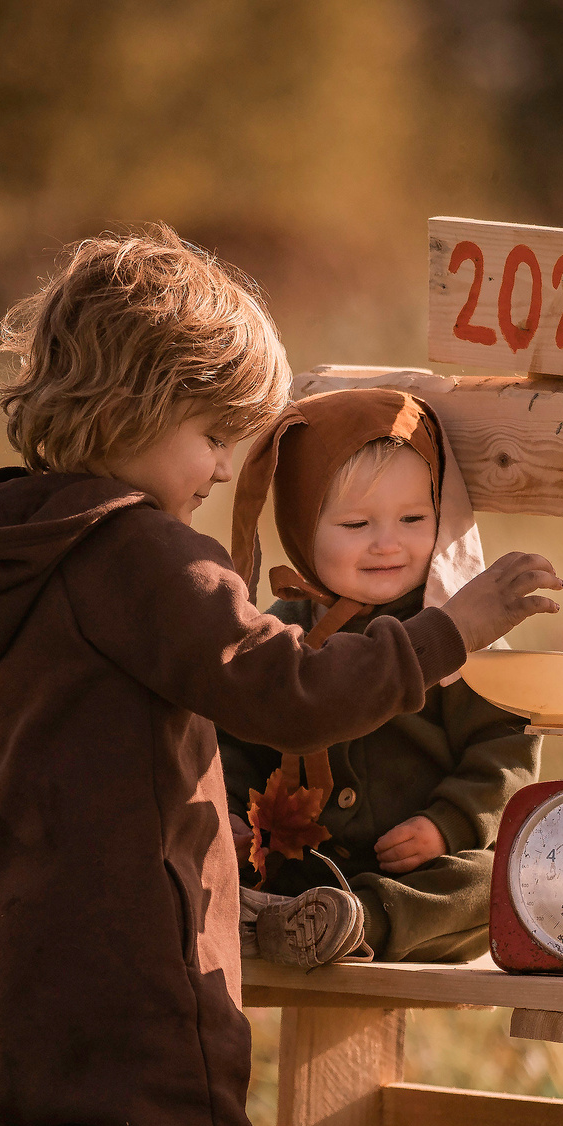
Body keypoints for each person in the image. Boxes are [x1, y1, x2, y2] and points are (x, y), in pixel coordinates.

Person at [0, 226, 561, 1126]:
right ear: (145, 406)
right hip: (126, 963)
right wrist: (450, 631)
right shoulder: (143, 557)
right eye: (214, 435)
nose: (221, 468)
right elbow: (289, 693)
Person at [219, 388, 539, 966]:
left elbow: (504, 747)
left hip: (416, 881)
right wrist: (234, 814)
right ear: (301, 526)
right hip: (294, 869)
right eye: (357, 523)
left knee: (500, 881)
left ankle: (355, 925)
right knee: (207, 857)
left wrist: (446, 825)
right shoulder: (278, 632)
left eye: (414, 518)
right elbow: (239, 738)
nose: (387, 543)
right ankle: (271, 919)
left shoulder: (454, 629)